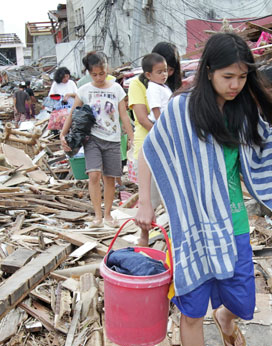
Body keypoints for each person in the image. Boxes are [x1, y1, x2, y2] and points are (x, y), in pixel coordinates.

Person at [135, 32, 272, 346]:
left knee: (243, 302)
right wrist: (145, 201)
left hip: (232, 224)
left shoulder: (244, 111)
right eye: (228, 77)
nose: (235, 85)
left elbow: (267, 144)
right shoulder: (181, 111)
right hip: (191, 228)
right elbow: (149, 153)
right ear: (209, 72)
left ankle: (227, 320)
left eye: (242, 78)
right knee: (191, 310)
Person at [61, 51, 134, 228]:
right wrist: (62, 134)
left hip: (113, 138)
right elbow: (73, 113)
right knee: (94, 175)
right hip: (92, 138)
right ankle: (97, 216)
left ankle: (108, 215)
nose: (99, 77)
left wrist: (131, 137)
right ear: (89, 73)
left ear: (106, 69)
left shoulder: (116, 89)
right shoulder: (84, 91)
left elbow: (124, 115)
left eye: (102, 73)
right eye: (94, 74)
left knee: (110, 178)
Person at [127, 42, 183, 247]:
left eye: (169, 70)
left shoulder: (167, 86)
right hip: (148, 146)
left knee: (172, 198)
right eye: (162, 70)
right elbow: (142, 118)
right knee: (149, 199)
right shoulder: (138, 84)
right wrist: (164, 133)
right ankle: (143, 239)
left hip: (169, 148)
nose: (166, 74)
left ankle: (173, 237)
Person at [143, 53, 172, 123]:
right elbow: (155, 108)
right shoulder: (153, 88)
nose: (164, 74)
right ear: (148, 75)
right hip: (161, 121)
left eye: (165, 71)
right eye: (159, 72)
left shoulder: (162, 86)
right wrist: (161, 125)